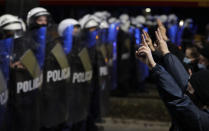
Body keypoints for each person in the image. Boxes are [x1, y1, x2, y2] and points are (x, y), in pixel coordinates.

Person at [136, 27, 209, 131]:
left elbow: (177, 98)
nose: (186, 88)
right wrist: (161, 53)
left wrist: (155, 67)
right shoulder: (198, 107)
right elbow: (182, 79)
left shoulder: (200, 120)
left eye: (189, 87)